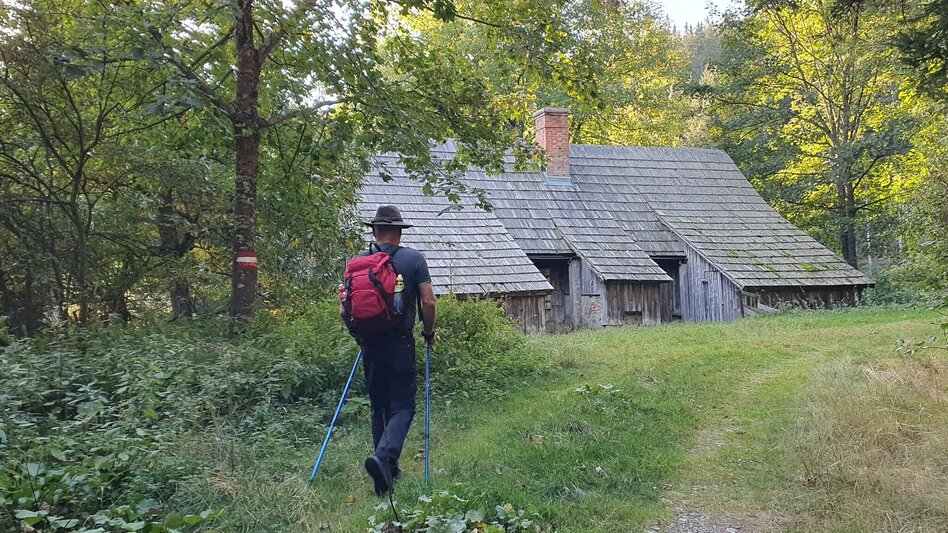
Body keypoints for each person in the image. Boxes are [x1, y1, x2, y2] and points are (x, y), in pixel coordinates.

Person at [344, 205, 436, 496]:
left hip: (369, 342)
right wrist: (428, 332)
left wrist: (358, 334)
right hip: (400, 341)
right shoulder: (413, 259)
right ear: (398, 231)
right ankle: (384, 460)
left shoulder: (357, 262)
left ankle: (386, 475)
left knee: (379, 406)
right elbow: (429, 302)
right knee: (403, 406)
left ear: (374, 231)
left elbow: (343, 309)